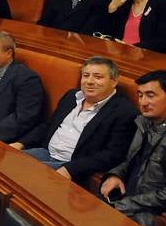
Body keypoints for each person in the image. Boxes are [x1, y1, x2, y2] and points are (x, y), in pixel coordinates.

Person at [11, 56, 137, 186]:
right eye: (86, 75)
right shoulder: (72, 96)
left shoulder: (124, 111)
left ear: (114, 81)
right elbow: (48, 125)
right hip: (46, 152)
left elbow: (113, 154)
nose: (89, 81)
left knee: (22, 174)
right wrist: (21, 143)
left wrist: (71, 169)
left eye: (98, 77)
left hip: (73, 164)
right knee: (6, 159)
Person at [100, 71, 166, 226]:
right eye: (140, 95)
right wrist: (116, 174)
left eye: (150, 95)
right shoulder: (143, 122)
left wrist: (125, 205)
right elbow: (133, 161)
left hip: (146, 212)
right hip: (124, 199)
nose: (143, 102)